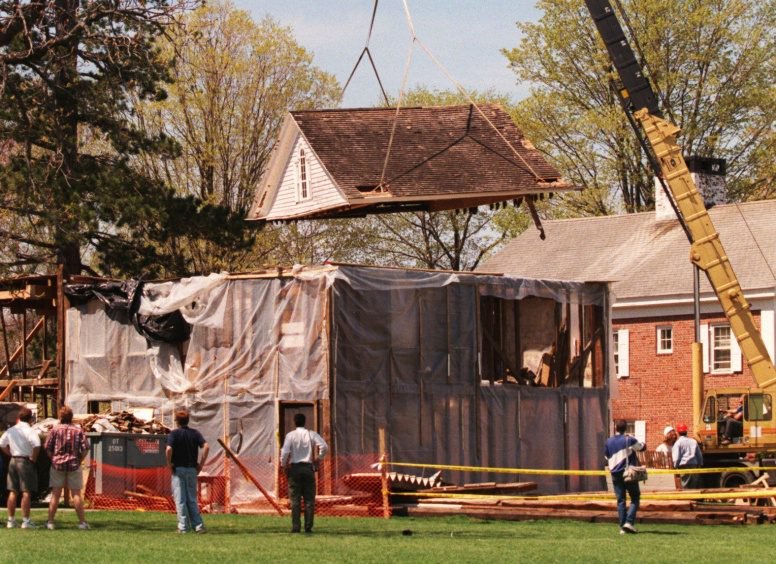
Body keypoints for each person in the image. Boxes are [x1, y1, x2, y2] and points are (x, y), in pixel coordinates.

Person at [280, 413, 329, 533]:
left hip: (295, 468)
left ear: (294, 422)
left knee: (295, 499)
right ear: (305, 421)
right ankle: (308, 527)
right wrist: (318, 459)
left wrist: (283, 465)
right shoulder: (311, 434)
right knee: (309, 499)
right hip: (308, 468)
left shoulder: (290, 435)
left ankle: (296, 527)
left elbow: (285, 451)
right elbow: (324, 446)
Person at [44, 405, 90, 530]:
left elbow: (47, 447)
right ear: (71, 417)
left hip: (57, 465)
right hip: (74, 465)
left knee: (55, 494)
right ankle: (82, 522)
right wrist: (79, 459)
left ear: (60, 417)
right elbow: (86, 448)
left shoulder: (54, 430)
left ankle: (50, 522)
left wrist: (53, 458)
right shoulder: (78, 431)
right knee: (76, 494)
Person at [165, 409, 209, 534]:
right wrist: (201, 464)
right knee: (192, 499)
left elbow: (168, 450)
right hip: (191, 469)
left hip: (178, 470)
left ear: (177, 421)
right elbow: (206, 446)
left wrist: (169, 464)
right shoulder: (195, 433)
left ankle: (183, 527)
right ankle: (198, 526)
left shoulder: (173, 434)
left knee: (180, 499)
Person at [0, 406, 41, 529]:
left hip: (13, 460)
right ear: (31, 419)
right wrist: (33, 458)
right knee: (26, 492)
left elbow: (1, 443)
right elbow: (37, 445)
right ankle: (26, 521)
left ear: (19, 417)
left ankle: (11, 520)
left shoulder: (11, 430)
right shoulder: (30, 431)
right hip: (25, 461)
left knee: (13, 491)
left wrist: (10, 453)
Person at [604, 419, 646, 534]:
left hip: (615, 473)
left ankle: (623, 527)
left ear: (615, 428)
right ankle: (629, 522)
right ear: (625, 428)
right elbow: (641, 448)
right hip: (628, 473)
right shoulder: (629, 439)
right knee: (635, 498)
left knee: (620, 500)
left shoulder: (608, 441)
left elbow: (606, 457)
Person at [672, 423, 704, 489]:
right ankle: (694, 498)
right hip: (694, 466)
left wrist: (675, 467)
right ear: (686, 432)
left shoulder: (678, 443)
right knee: (694, 485)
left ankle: (688, 498)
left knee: (685, 486)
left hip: (684, 467)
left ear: (678, 432)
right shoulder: (693, 441)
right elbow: (699, 455)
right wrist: (700, 464)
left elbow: (676, 458)